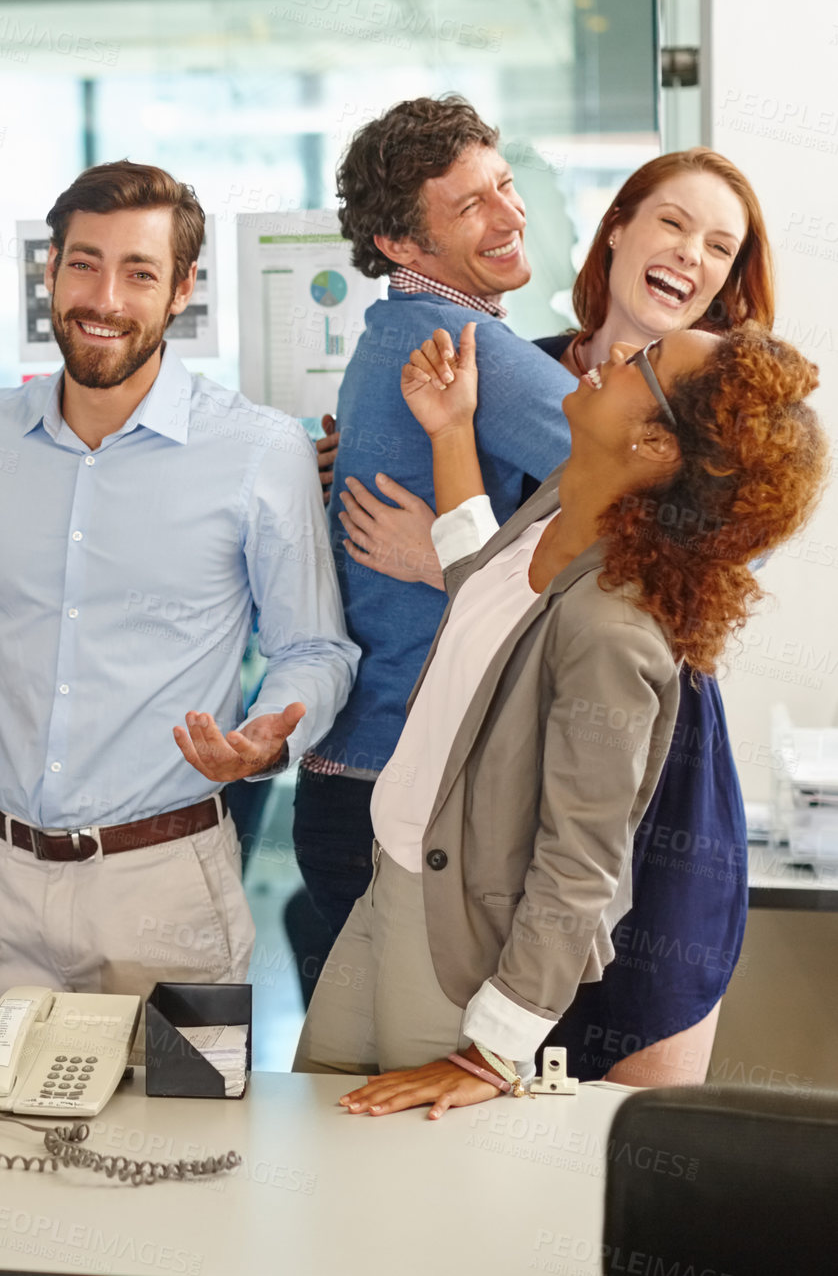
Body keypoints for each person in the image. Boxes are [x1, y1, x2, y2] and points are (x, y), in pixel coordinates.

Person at [0, 160, 359, 1055]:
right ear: (51, 269)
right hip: (3, 880)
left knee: (187, 1162)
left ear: (182, 290)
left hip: (167, 886)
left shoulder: (257, 450)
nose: (104, 298)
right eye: (84, 264)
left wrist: (270, 733)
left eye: (139, 272)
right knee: (12, 1143)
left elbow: (315, 646)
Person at [294, 317, 825, 1116]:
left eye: (643, 362)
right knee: (313, 1126)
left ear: (654, 447)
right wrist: (451, 433)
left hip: (448, 939)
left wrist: (492, 1054)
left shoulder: (615, 629)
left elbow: (582, 865)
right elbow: (490, 587)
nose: (614, 352)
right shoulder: (562, 513)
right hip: (388, 882)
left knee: (400, 1198)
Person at [346, 148, 775, 1084]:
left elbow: (677, 581)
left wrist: (433, 562)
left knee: (618, 1146)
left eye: (720, 247)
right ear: (617, 226)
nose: (691, 256)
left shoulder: (717, 432)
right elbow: (497, 564)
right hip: (488, 805)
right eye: (672, 223)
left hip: (636, 776)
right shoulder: (529, 376)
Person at [293, 95, 576, 956]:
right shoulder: (464, 342)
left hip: (358, 783)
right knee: (442, 1079)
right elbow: (653, 478)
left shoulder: (394, 329)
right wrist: (466, 562)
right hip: (405, 792)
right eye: (470, 205)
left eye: (504, 184)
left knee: (391, 1072)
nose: (508, 215)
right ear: (402, 247)